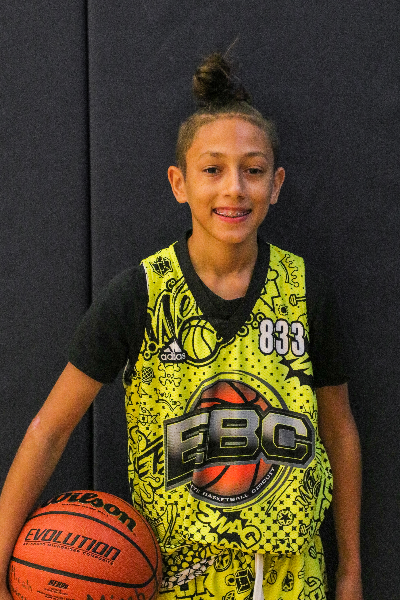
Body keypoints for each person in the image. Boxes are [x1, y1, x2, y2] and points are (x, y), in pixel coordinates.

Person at [0, 52, 362, 600]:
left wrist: (350, 571)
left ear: (276, 184)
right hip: (175, 579)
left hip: (295, 577)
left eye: (253, 170)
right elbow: (48, 432)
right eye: (212, 170)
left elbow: (339, 432)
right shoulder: (140, 294)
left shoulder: (307, 290)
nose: (234, 188)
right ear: (179, 183)